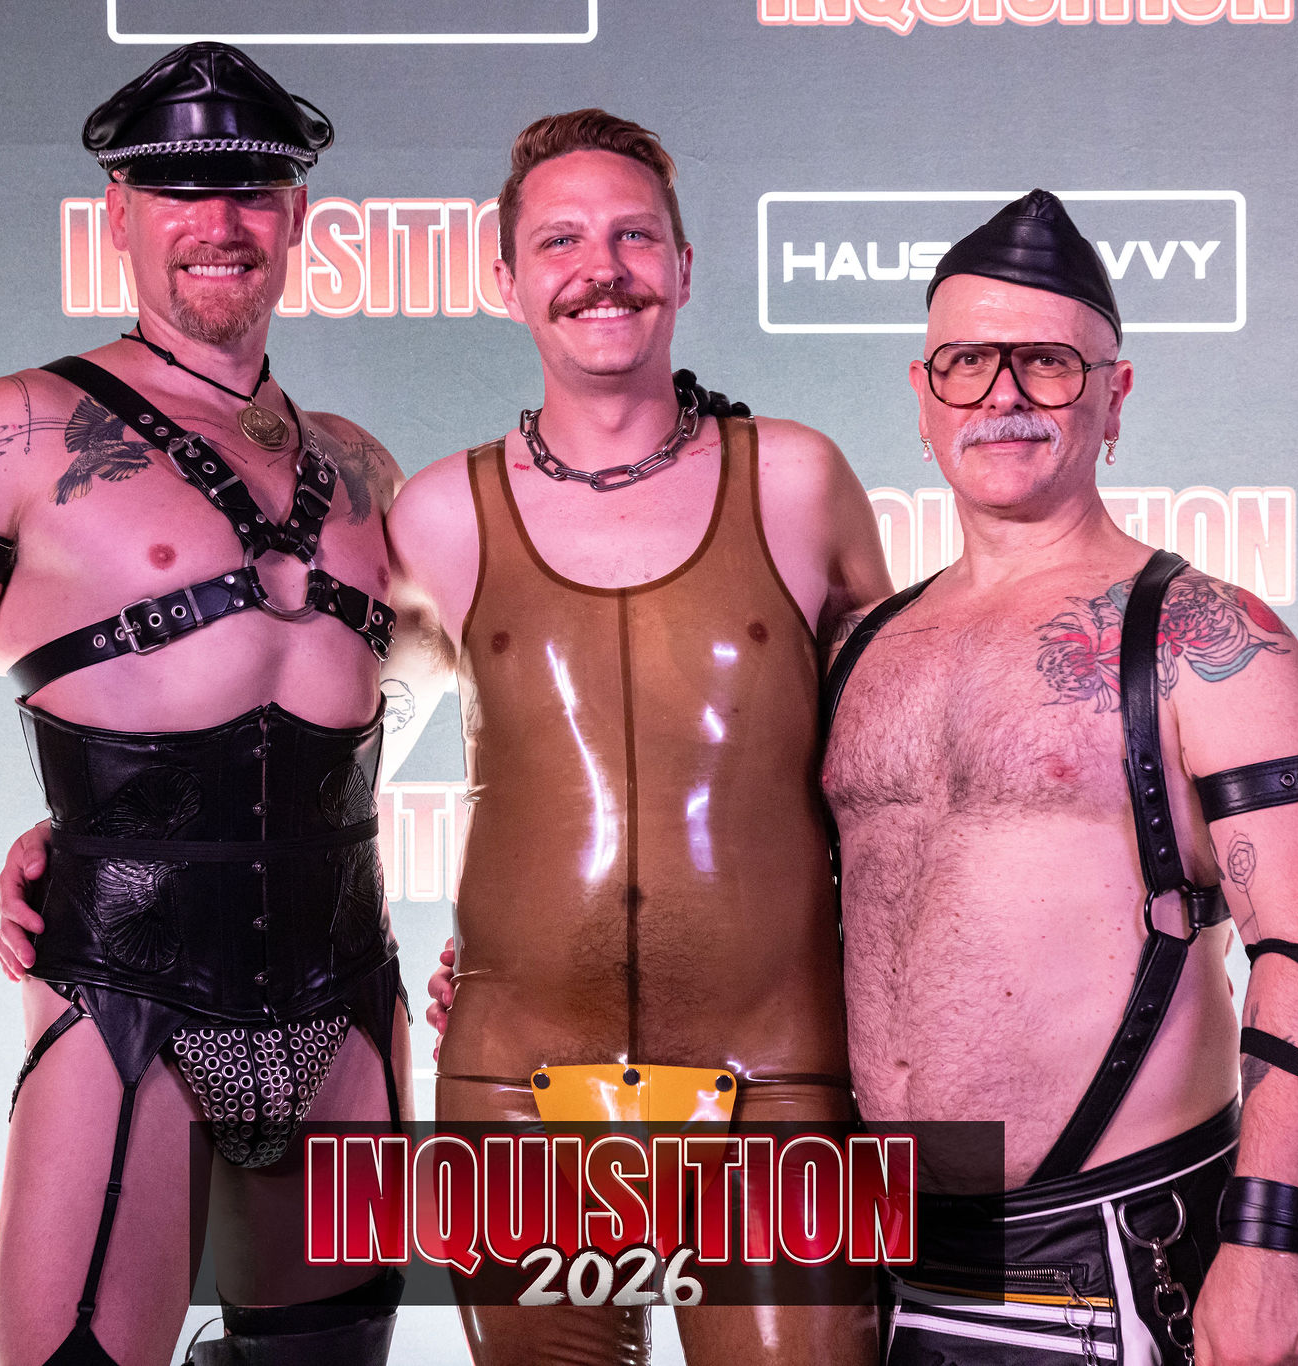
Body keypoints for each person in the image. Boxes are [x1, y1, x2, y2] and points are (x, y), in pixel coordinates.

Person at [0, 43, 433, 1366]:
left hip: (350, 1005)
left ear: (298, 214)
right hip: (125, 1006)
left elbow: (384, 701)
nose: (218, 221)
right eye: (179, 189)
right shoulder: (15, 432)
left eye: (251, 189)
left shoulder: (362, 467)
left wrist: (194, 803)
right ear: (118, 212)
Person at [817, 190, 1298, 1366]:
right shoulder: (857, 650)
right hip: (859, 1266)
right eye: (966, 363)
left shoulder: (1204, 636)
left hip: (1105, 1273)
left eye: (1046, 362)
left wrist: (1269, 1239)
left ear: (1113, 395)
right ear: (921, 398)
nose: (1003, 396)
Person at [380, 109, 895, 1365]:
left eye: (632, 236)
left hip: (777, 1079)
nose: (598, 268)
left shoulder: (797, 481)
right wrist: (99, 835)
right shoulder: (437, 515)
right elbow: (308, 762)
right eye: (558, 240)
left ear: (683, 265)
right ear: (505, 280)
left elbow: (903, 779)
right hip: (512, 1089)